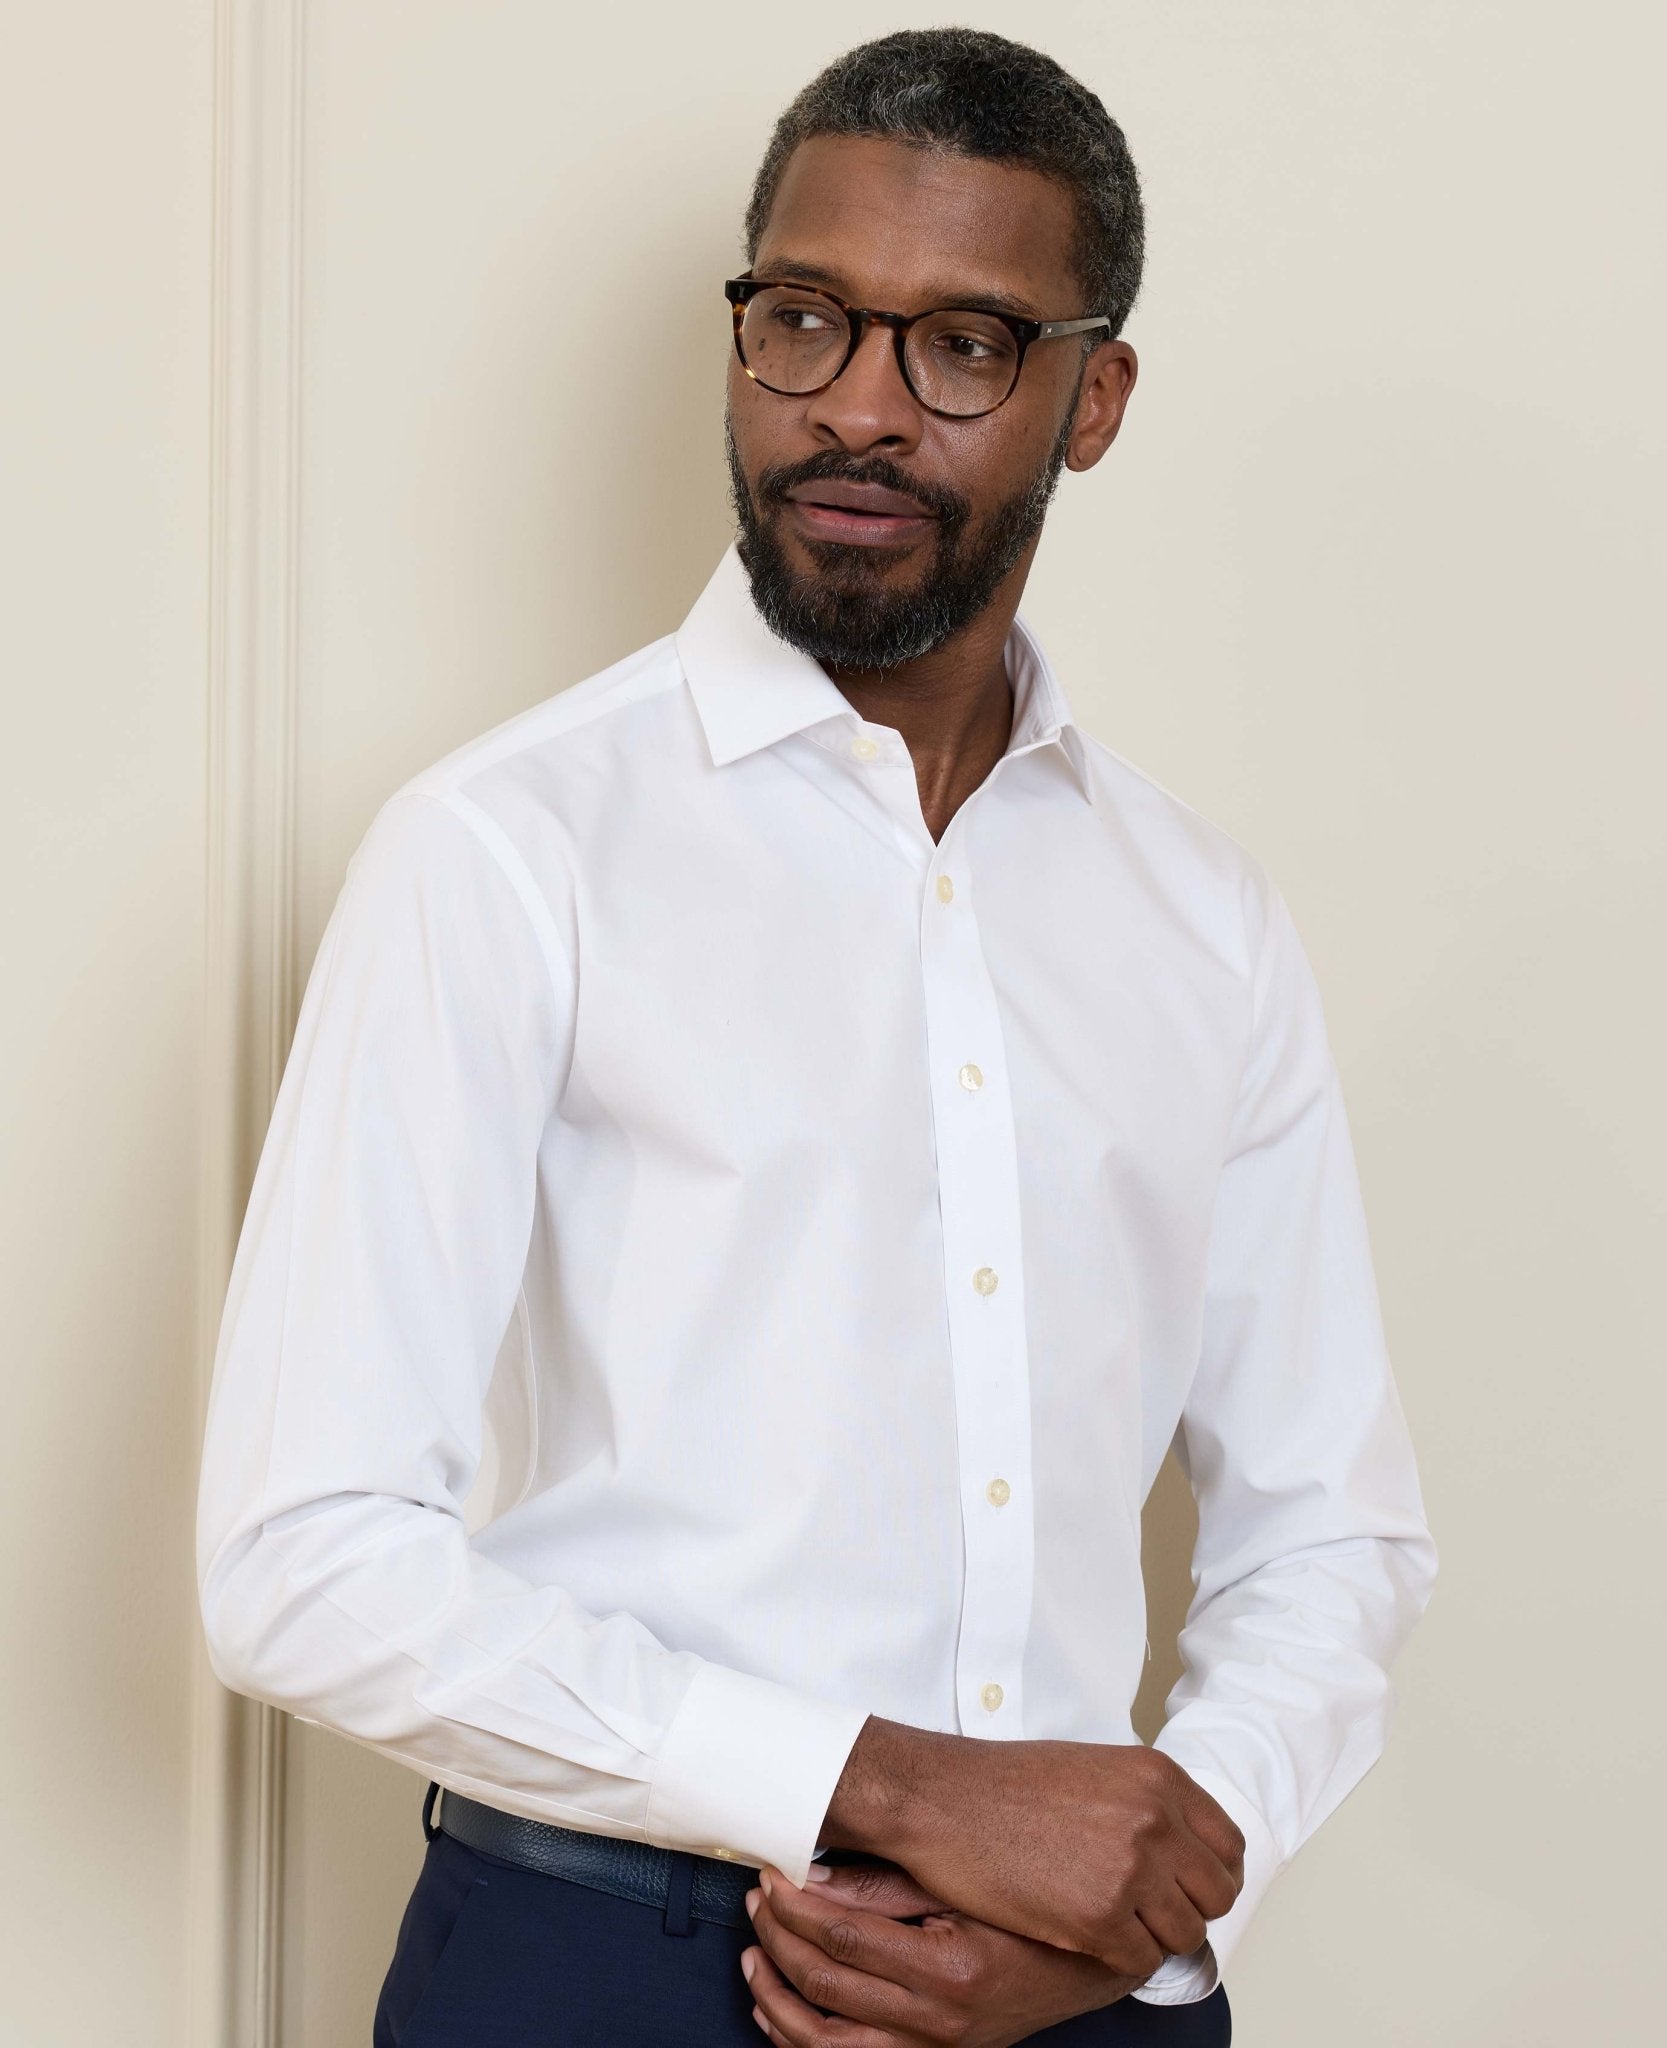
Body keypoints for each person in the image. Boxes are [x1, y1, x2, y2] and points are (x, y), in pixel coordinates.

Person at [195, 26, 1438, 2047]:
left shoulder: (1202, 916)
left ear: (1093, 398)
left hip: (1090, 1996)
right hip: (598, 1969)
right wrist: (898, 1789)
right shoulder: (505, 850)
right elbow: (299, 1557)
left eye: (961, 346)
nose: (855, 407)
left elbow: (1334, 1531)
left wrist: (1135, 1899)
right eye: (803, 320)